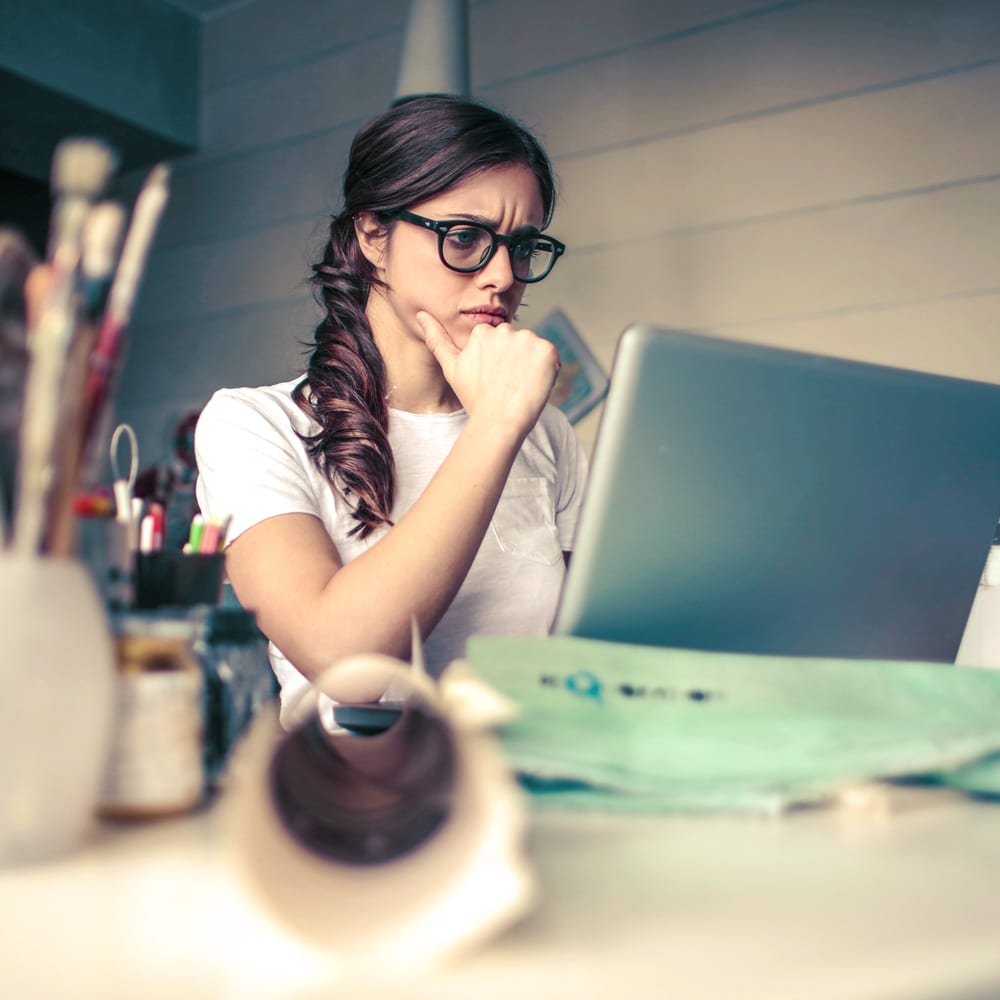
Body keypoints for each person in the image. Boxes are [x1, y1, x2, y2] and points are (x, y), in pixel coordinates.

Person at [194, 95, 588, 727]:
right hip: (353, 800)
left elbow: (586, 658)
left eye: (521, 246)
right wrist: (493, 427)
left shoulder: (547, 435)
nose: (501, 277)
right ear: (373, 235)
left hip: (530, 795)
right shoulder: (253, 425)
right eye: (464, 238)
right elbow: (346, 661)